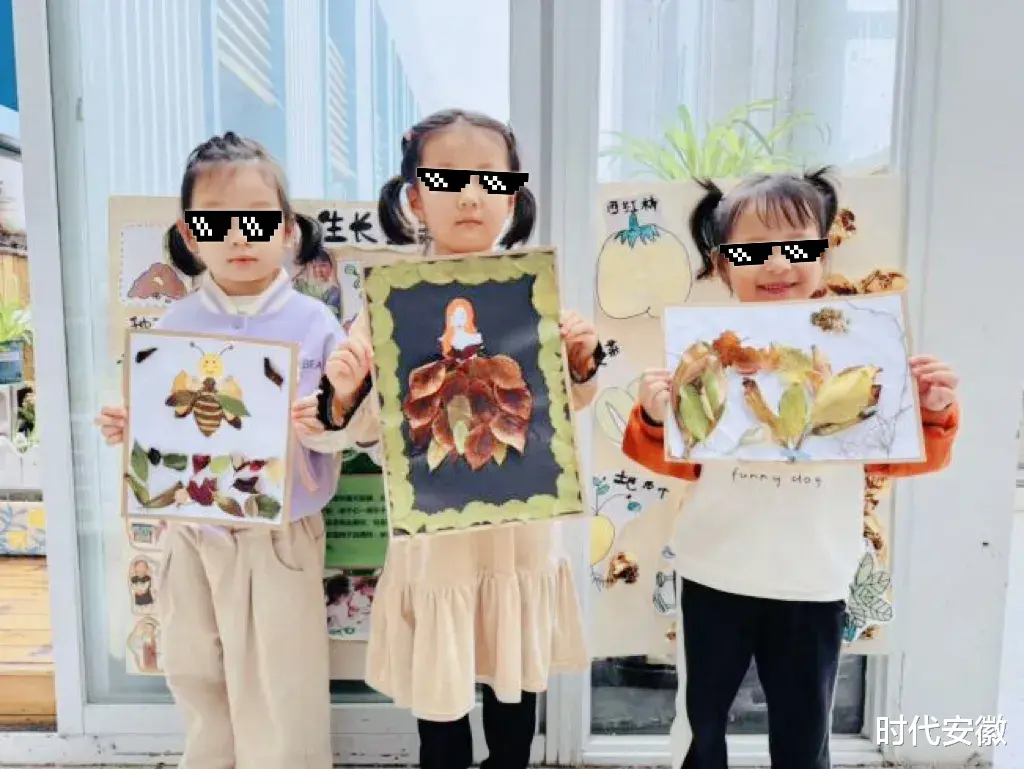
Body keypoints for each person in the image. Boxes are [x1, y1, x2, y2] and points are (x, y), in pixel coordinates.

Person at [620, 169, 962, 769]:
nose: (776, 263)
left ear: (824, 253)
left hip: (814, 580)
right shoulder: (706, 354)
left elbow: (900, 459)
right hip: (714, 571)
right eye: (751, 251)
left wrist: (932, 411)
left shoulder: (859, 350)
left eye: (797, 248)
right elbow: (672, 460)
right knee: (700, 725)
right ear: (722, 264)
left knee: (804, 733)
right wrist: (653, 415)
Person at [327, 108, 604, 769]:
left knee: (514, 692)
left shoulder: (534, 291)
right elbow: (363, 429)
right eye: (448, 178)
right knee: (441, 695)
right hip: (436, 543)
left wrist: (581, 361)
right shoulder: (386, 304)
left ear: (513, 195)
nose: (471, 195)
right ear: (415, 198)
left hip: (518, 533)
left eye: (489, 178)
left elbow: (565, 406)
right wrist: (345, 388)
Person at [94, 131, 375, 769]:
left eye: (256, 218)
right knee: (195, 667)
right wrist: (127, 425)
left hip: (280, 534)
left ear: (287, 229)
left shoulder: (315, 324)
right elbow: (162, 424)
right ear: (190, 236)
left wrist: (326, 415)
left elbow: (348, 429)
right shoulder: (173, 324)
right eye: (216, 221)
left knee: (282, 681)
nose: (239, 236)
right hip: (191, 530)